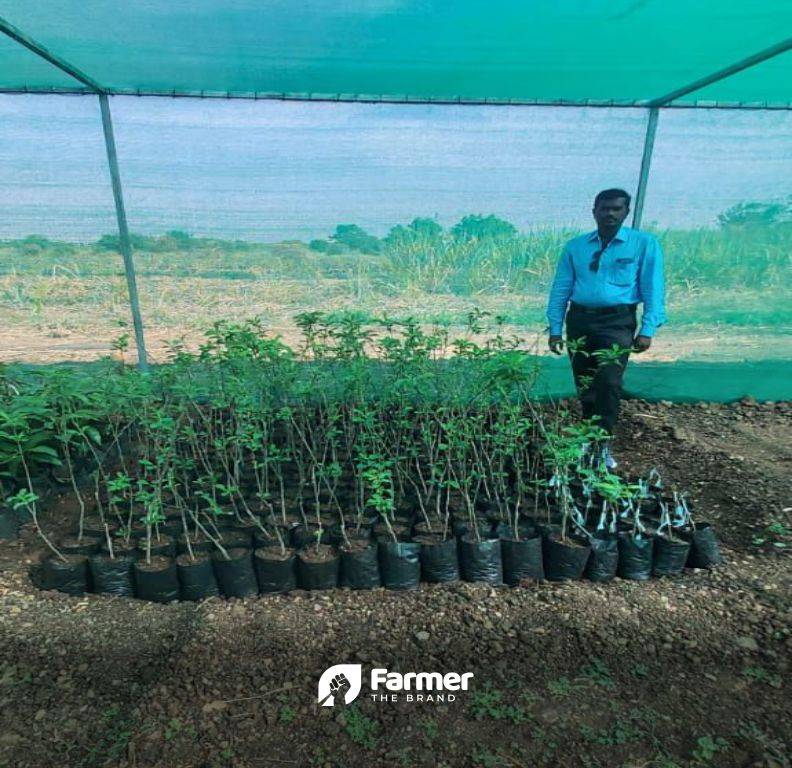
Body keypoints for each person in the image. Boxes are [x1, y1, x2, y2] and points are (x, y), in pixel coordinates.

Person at [545, 189, 666, 468]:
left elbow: (653, 287)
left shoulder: (643, 244)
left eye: (616, 209)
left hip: (617, 322)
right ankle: (588, 439)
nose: (609, 214)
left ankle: (603, 445)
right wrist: (555, 328)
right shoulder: (576, 247)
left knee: (609, 382)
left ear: (626, 212)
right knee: (585, 383)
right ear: (594, 211)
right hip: (580, 320)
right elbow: (561, 288)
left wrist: (647, 329)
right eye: (604, 209)